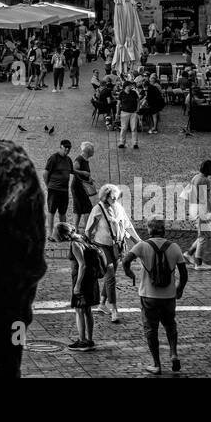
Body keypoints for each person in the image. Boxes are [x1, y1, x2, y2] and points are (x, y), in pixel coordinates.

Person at [123, 218, 188, 374]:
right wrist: (179, 289)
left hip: (148, 296)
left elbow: (126, 260)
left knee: (150, 329)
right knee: (170, 325)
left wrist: (129, 273)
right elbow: (184, 274)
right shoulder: (174, 247)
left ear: (149, 230)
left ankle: (156, 364)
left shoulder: (142, 246)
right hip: (169, 296)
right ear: (164, 231)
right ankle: (173, 354)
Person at [85, 184, 139, 323]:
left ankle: (102, 304)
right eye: (112, 197)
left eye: (116, 197)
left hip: (116, 246)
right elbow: (88, 230)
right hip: (102, 246)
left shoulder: (119, 208)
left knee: (111, 275)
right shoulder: (97, 209)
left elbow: (127, 225)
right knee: (110, 275)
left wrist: (138, 241)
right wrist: (89, 246)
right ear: (105, 196)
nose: (115, 199)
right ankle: (114, 309)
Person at [54, 222, 103, 351]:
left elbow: (82, 265)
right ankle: (89, 340)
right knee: (87, 311)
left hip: (82, 279)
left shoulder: (75, 244)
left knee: (79, 310)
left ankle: (82, 341)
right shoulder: (82, 238)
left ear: (63, 235)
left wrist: (77, 285)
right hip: (91, 279)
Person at [180, 159, 211, 266]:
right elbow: (205, 199)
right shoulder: (205, 181)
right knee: (203, 237)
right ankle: (198, 263)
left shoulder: (196, 177)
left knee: (203, 234)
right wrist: (209, 212)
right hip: (201, 209)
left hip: (193, 208)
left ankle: (189, 253)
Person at [44, 140, 75, 239]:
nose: (67, 149)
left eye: (69, 147)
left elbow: (72, 171)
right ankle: (50, 234)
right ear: (60, 147)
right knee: (52, 211)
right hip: (54, 189)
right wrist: (48, 185)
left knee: (63, 212)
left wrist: (83, 173)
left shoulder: (68, 159)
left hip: (64, 190)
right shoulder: (54, 158)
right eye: (65, 147)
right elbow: (45, 173)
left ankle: (63, 233)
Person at [71, 141, 98, 231]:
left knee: (78, 208)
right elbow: (72, 170)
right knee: (87, 208)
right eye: (92, 150)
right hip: (78, 187)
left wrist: (89, 178)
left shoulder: (85, 160)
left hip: (81, 186)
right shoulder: (79, 159)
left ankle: (76, 228)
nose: (94, 152)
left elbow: (83, 174)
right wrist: (83, 173)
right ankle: (87, 229)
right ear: (88, 152)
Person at [117, 78, 141, 150]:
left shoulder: (134, 93)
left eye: (130, 86)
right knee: (124, 128)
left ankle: (135, 143)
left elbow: (138, 101)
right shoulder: (121, 93)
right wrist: (117, 113)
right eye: (129, 86)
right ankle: (122, 142)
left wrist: (138, 109)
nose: (130, 87)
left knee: (134, 128)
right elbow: (118, 104)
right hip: (124, 112)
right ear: (125, 86)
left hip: (133, 113)